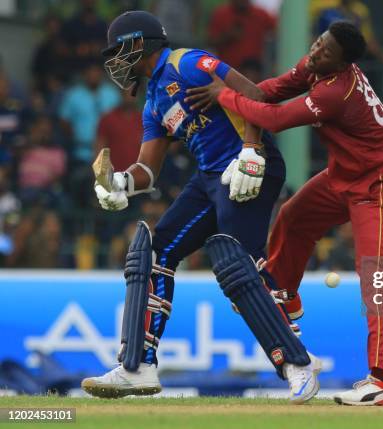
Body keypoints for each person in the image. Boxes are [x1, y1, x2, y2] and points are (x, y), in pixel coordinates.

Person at [80, 10, 321, 403]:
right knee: (155, 252)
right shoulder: (154, 100)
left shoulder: (188, 63)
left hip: (250, 166)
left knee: (235, 263)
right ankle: (138, 367)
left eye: (118, 50)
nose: (114, 61)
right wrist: (121, 182)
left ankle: (297, 363)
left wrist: (250, 150)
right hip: (211, 177)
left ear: (139, 44)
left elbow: (254, 95)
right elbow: (148, 169)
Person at [187, 21, 383, 406]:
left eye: (326, 52)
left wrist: (225, 97)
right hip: (347, 174)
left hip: (380, 184)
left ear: (343, 63)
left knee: (374, 275)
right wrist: (230, 92)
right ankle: (284, 294)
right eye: (318, 43)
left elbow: (275, 119)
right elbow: (266, 93)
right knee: (293, 217)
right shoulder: (315, 67)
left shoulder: (335, 91)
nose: (315, 52)